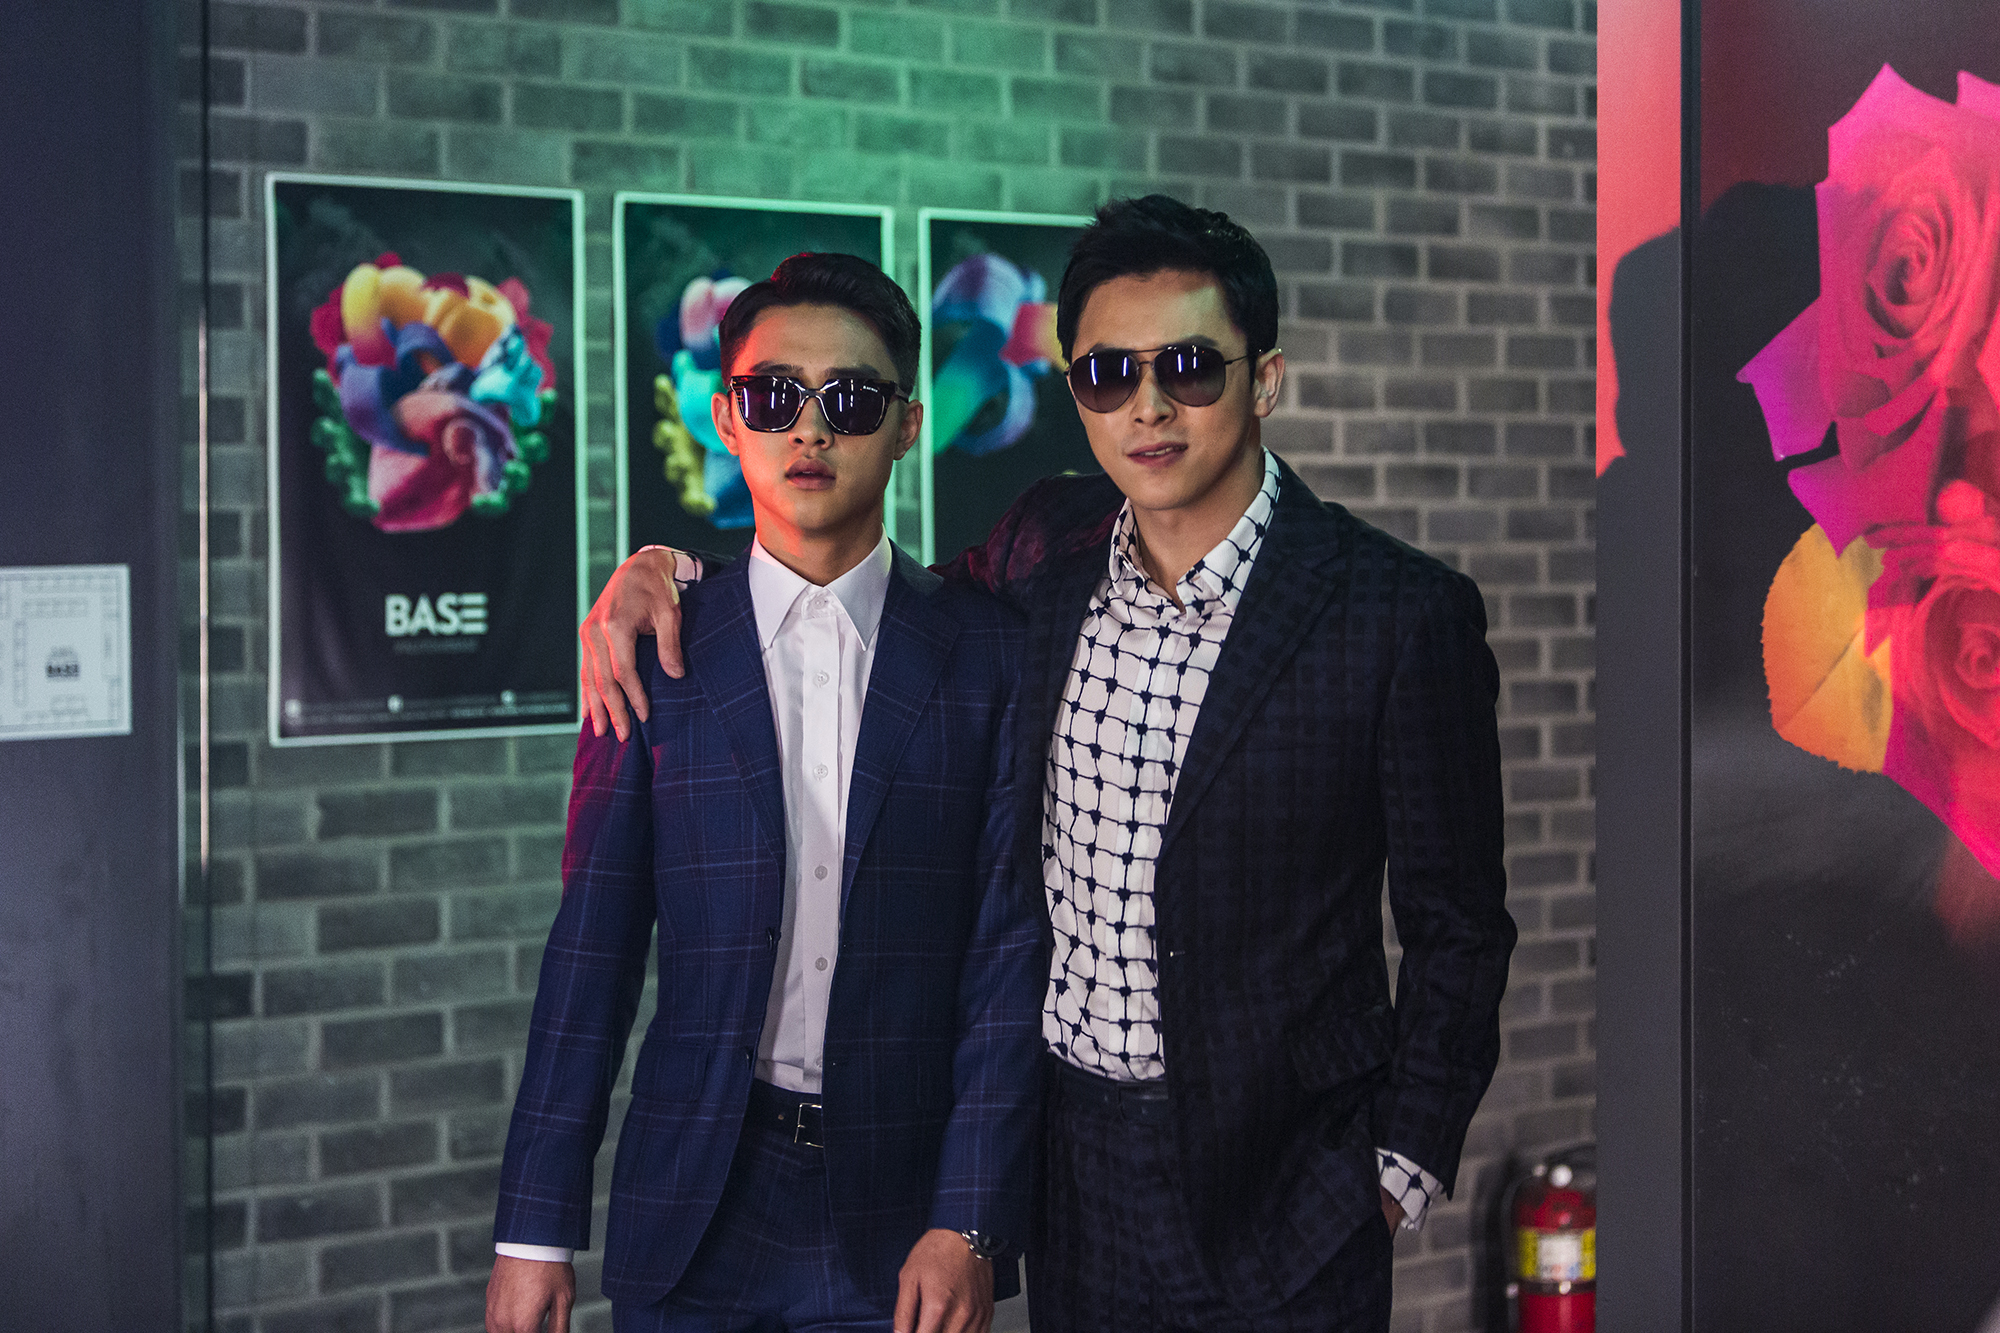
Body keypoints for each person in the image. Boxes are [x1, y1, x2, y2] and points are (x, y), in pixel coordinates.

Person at [576, 196, 1516, 1331]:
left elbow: (1460, 926)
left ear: (1264, 378)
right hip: (1071, 1178)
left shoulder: (1397, 613)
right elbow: (860, 603)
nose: (1148, 407)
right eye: (1107, 374)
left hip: (1288, 1182)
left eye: (1187, 367)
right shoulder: (1043, 548)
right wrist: (670, 571)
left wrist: (1395, 1165)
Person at [488, 253, 1045, 1333]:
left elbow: (1007, 961)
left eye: (851, 399)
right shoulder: (654, 647)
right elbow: (592, 949)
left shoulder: (989, 655)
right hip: (695, 1198)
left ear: (907, 425)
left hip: (899, 1216)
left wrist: (971, 1220)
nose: (811, 428)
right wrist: (533, 1229)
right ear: (726, 417)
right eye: (773, 395)